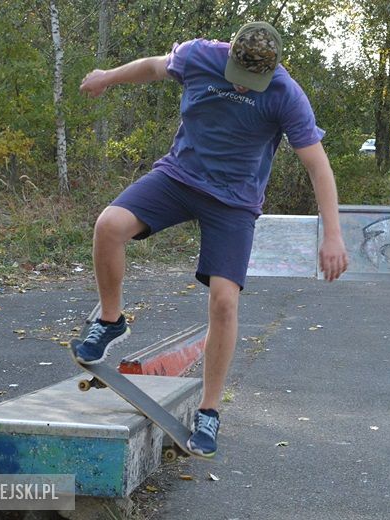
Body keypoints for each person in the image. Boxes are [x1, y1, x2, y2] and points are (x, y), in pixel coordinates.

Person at [76, 21, 349, 457]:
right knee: (109, 225)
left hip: (234, 202)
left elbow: (318, 166)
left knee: (225, 300)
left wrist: (332, 234)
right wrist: (108, 77)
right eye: (239, 80)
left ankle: (209, 410)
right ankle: (111, 320)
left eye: (254, 84)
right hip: (180, 176)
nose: (244, 90)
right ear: (228, 58)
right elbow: (152, 67)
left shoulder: (285, 94)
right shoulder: (198, 55)